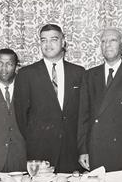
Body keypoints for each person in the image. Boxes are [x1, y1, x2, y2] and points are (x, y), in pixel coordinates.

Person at [14, 24, 85, 173]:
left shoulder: (79, 73)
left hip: (71, 152)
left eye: (53, 39)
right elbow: (20, 116)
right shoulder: (26, 74)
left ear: (63, 42)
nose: (48, 44)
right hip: (39, 152)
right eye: (43, 40)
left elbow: (83, 114)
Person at [77, 28, 122, 172]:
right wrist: (82, 149)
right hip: (95, 149)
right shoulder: (89, 75)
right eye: (103, 41)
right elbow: (83, 116)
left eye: (112, 40)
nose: (107, 45)